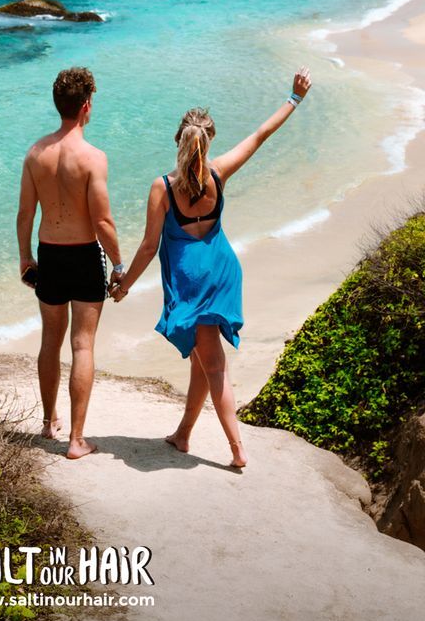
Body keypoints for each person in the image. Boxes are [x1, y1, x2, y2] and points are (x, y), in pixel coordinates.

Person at [111, 68, 312, 469]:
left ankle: (237, 449)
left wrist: (124, 286)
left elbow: (150, 246)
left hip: (192, 281)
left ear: (178, 140)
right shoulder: (218, 173)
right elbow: (259, 136)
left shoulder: (163, 187)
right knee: (203, 357)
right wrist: (294, 98)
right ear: (210, 140)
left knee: (214, 363)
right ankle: (184, 434)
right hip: (222, 270)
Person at [17, 67, 124, 459]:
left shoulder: (35, 154)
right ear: (86, 107)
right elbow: (102, 221)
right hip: (83, 255)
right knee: (83, 345)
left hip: (49, 253)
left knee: (50, 340)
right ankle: (76, 440)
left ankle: (48, 423)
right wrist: (118, 263)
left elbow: (25, 214)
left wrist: (25, 257)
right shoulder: (93, 158)